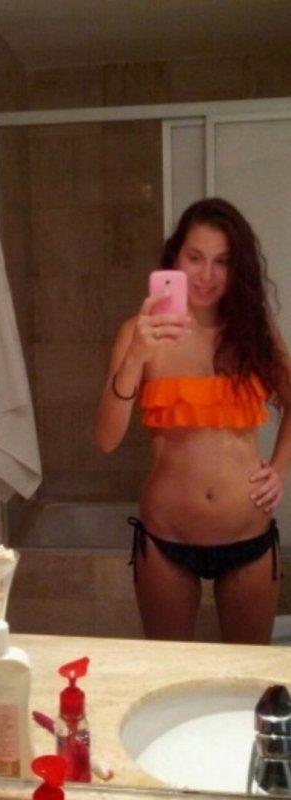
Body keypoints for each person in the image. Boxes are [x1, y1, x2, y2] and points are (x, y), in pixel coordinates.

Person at [94, 197, 291, 645]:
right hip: (166, 540)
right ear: (175, 258)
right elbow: (106, 439)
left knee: (245, 675)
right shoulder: (138, 332)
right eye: (195, 257)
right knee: (169, 671)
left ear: (238, 268)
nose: (206, 275)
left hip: (249, 536)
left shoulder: (256, 333)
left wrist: (279, 470)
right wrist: (136, 356)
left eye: (222, 261)